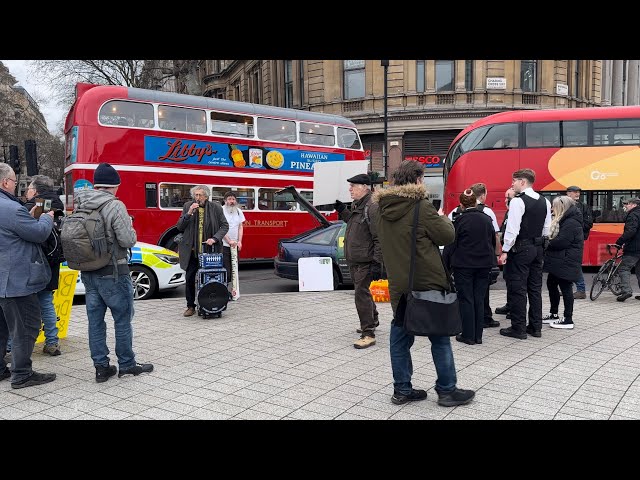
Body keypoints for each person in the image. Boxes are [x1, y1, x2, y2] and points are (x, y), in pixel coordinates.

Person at [374, 160, 475, 407]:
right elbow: (447, 235)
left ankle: (402, 390)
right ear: (418, 180)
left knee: (399, 338)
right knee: (439, 337)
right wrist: (443, 218)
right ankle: (447, 390)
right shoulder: (421, 207)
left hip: (399, 285)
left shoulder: (380, 209)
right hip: (427, 282)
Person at [75, 163, 153, 382]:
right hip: (114, 272)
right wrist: (130, 226)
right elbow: (128, 240)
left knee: (95, 322)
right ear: (114, 185)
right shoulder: (114, 205)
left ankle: (101, 368)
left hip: (89, 272)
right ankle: (127, 365)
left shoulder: (81, 203)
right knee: (122, 319)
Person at [0, 163, 57, 389]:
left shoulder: (12, 208)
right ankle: (22, 374)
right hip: (16, 281)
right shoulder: (10, 209)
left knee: (3, 327)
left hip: (3, 280)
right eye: (14, 181)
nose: (16, 186)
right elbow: (39, 233)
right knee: (27, 326)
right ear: (5, 182)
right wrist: (47, 217)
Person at [498, 168, 552, 339]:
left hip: (521, 248)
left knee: (518, 288)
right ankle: (535, 327)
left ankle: (518, 328)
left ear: (522, 182)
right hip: (538, 248)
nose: (512, 184)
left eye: (514, 181)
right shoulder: (545, 201)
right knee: (535, 289)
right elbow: (547, 229)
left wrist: (505, 250)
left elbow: (512, 229)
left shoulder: (517, 201)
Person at [334, 173, 382, 349]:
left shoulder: (372, 207)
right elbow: (354, 222)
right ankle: (373, 319)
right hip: (355, 259)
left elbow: (379, 238)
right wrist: (342, 210)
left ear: (364, 187)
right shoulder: (358, 205)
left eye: (353, 186)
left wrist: (377, 262)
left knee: (360, 294)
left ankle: (368, 333)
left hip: (365, 260)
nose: (350, 189)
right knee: (363, 291)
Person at [443, 190, 495, 345]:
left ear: (461, 204)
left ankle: (468, 334)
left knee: (466, 299)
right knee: (479, 298)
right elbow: (492, 240)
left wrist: (445, 265)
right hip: (484, 265)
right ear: (475, 202)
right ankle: (478, 335)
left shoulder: (459, 221)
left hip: (464, 265)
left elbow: (451, 244)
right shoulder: (487, 219)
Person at [23, 174, 65, 356]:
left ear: (37, 191)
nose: (27, 192)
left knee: (23, 306)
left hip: (36, 262)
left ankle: (14, 346)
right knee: (47, 302)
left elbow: (35, 232)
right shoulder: (57, 204)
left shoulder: (40, 204)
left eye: (30, 188)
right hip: (52, 262)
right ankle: (52, 342)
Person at [177, 185, 229, 316]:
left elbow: (224, 226)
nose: (197, 198)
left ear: (206, 196)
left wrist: (215, 238)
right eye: (196, 195)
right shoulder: (188, 206)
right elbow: (180, 227)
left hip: (209, 251)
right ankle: (190, 306)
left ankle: (209, 304)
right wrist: (188, 213)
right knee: (189, 278)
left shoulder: (215, 207)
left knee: (210, 279)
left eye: (200, 195)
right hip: (193, 251)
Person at [542, 196, 584, 329]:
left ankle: (568, 319)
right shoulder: (565, 219)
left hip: (566, 260)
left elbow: (562, 242)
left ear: (561, 207)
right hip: (560, 260)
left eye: (554, 206)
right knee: (551, 284)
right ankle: (554, 314)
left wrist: (546, 242)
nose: (552, 209)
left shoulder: (571, 222)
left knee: (566, 288)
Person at [565, 186, 593, 299]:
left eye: (579, 192)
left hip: (576, 239)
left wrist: (575, 228)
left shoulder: (583, 207)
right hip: (565, 238)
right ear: (568, 193)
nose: (577, 194)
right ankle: (566, 288)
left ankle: (581, 290)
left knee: (574, 263)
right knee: (565, 264)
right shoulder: (563, 204)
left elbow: (589, 223)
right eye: (575, 192)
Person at [614, 197, 640, 302]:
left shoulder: (633, 215)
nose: (626, 206)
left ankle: (626, 291)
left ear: (634, 205)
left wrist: (619, 242)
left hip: (634, 248)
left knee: (623, 268)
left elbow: (631, 231)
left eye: (628, 204)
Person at [495, 187, 516, 317]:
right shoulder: (509, 212)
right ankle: (510, 305)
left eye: (508, 198)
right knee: (508, 278)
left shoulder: (516, 212)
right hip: (507, 250)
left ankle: (514, 308)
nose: (505, 200)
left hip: (514, 252)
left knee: (514, 281)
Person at [221, 191, 245, 298]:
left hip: (235, 246)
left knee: (234, 270)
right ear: (225, 200)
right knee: (226, 270)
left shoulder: (239, 211)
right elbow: (220, 228)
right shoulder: (221, 210)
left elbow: (240, 227)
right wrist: (229, 240)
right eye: (229, 199)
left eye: (233, 199)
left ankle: (233, 292)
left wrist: (239, 241)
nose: (232, 201)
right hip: (224, 245)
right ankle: (224, 292)